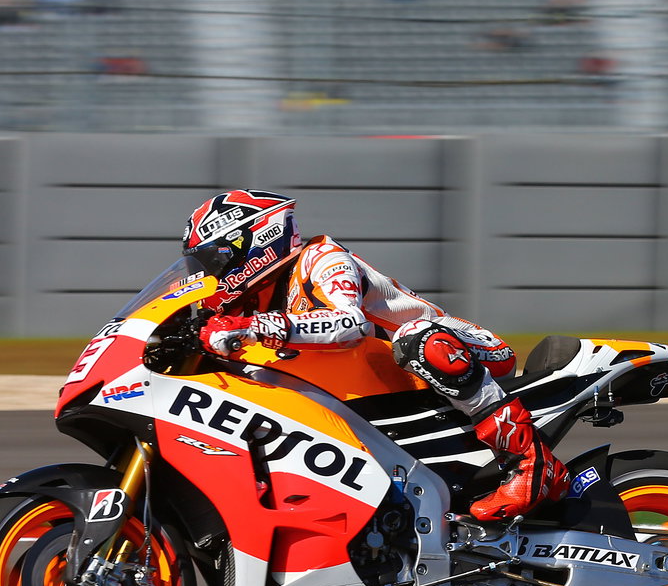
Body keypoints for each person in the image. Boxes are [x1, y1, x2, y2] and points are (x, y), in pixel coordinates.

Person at [181, 190, 570, 522]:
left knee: (417, 336)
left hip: (466, 350)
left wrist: (262, 326)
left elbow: (349, 324)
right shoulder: (252, 300)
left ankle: (532, 462)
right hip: (391, 385)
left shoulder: (321, 259)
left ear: (257, 240)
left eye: (213, 260)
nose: (209, 272)